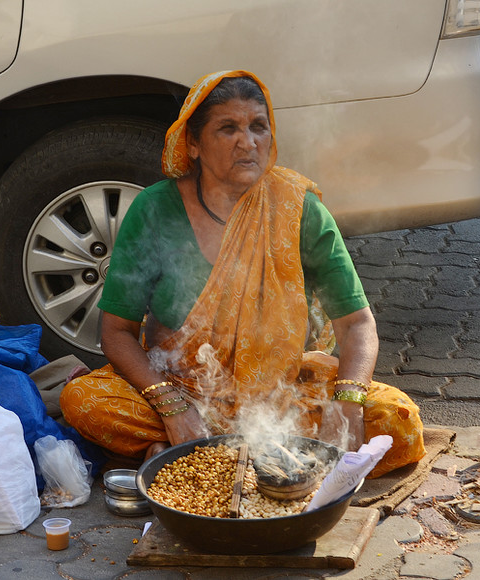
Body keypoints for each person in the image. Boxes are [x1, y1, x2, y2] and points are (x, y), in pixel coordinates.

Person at [60, 70, 424, 477]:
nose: (247, 142)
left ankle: (185, 455)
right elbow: (116, 332)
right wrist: (172, 406)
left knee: (397, 418)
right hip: (182, 388)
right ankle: (213, 446)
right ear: (193, 143)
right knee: (83, 400)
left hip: (280, 397)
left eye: (258, 127)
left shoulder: (295, 209)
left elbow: (356, 324)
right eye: (227, 128)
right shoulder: (154, 211)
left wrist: (348, 405)